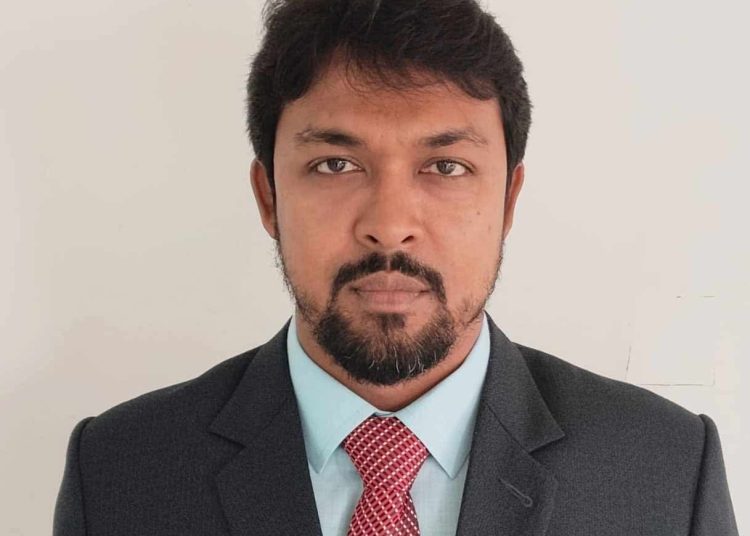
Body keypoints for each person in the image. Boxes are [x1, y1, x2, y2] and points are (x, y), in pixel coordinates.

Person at [53, 0, 739, 534]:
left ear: (508, 200)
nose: (389, 223)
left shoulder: (666, 471)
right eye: (336, 164)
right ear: (269, 198)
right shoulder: (119, 471)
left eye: (446, 166)